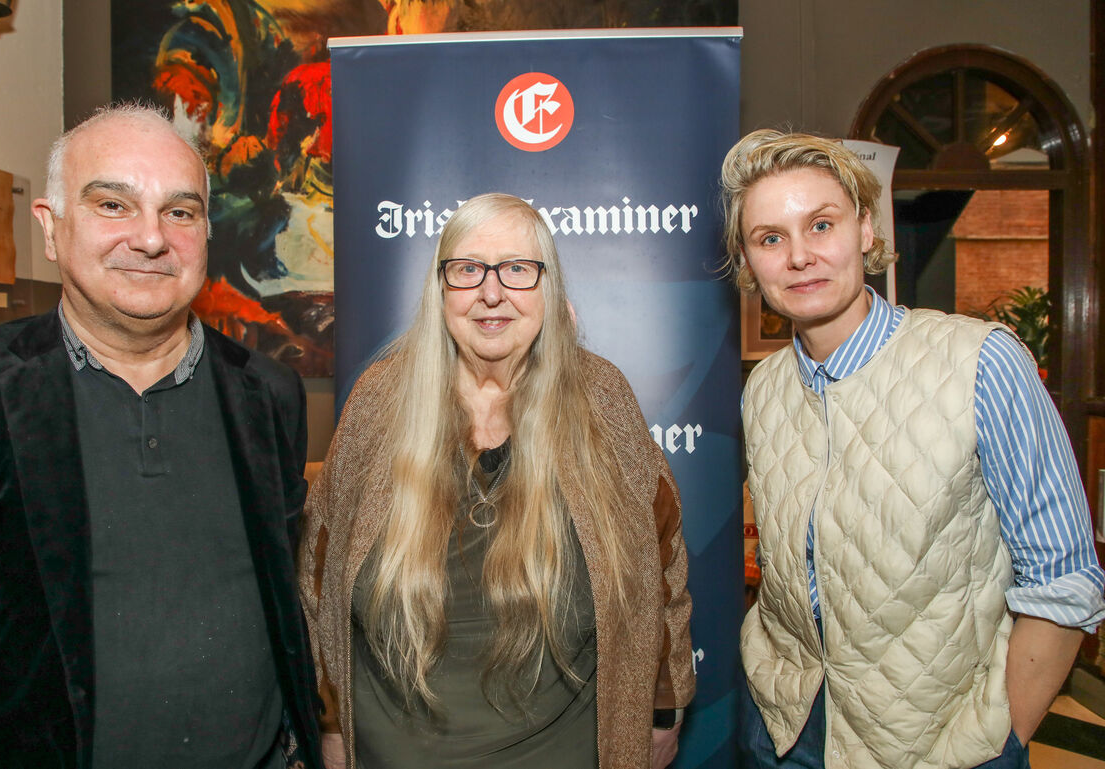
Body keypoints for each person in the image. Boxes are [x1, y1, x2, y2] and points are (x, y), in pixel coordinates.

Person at [0, 104, 322, 769]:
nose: (152, 238)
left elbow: (282, 593)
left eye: (179, 212)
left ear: (206, 232)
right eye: (113, 205)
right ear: (51, 227)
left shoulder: (269, 393)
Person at [724, 129, 1105, 769]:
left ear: (866, 229)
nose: (799, 257)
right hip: (784, 730)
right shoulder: (762, 389)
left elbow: (1063, 582)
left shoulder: (980, 362)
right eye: (770, 238)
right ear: (748, 260)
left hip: (941, 742)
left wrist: (998, 739)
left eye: (821, 225)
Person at [298, 193, 695, 769]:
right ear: (440, 289)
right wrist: (330, 722)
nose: (491, 292)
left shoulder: (601, 397)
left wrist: (662, 706)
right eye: (467, 269)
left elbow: (660, 561)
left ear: (548, 288)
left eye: (517, 269)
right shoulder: (378, 401)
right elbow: (318, 575)